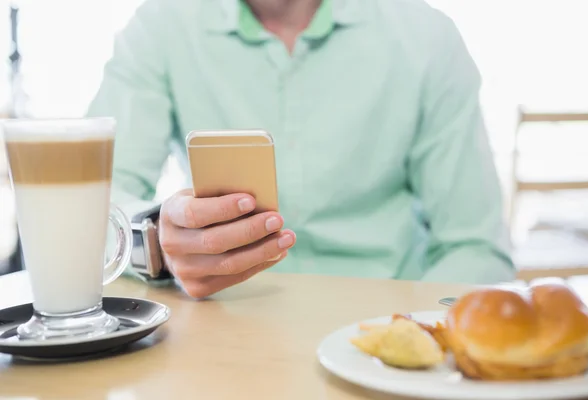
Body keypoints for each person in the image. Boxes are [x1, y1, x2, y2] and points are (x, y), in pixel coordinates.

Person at [87, 0, 515, 298]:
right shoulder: (161, 25)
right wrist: (161, 247)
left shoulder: (427, 37)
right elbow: (92, 207)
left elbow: (474, 248)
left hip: (387, 331)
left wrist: (415, 334)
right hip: (221, 331)